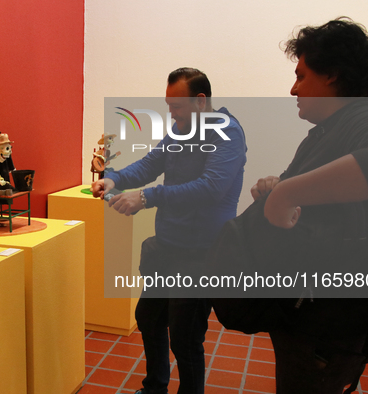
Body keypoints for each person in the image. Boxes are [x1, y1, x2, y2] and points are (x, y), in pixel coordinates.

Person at [250, 18, 368, 393]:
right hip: (306, 314)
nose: (293, 88)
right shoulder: (324, 134)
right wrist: (277, 186)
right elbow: (300, 192)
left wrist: (286, 195)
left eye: (302, 76)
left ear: (332, 75)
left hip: (328, 325)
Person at [92, 68, 247, 394]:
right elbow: (150, 164)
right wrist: (114, 178)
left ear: (200, 101)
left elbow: (211, 188)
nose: (171, 113)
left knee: (185, 337)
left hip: (201, 254)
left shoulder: (227, 134)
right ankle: (155, 387)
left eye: (176, 106)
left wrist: (147, 197)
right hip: (168, 247)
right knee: (148, 318)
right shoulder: (181, 130)